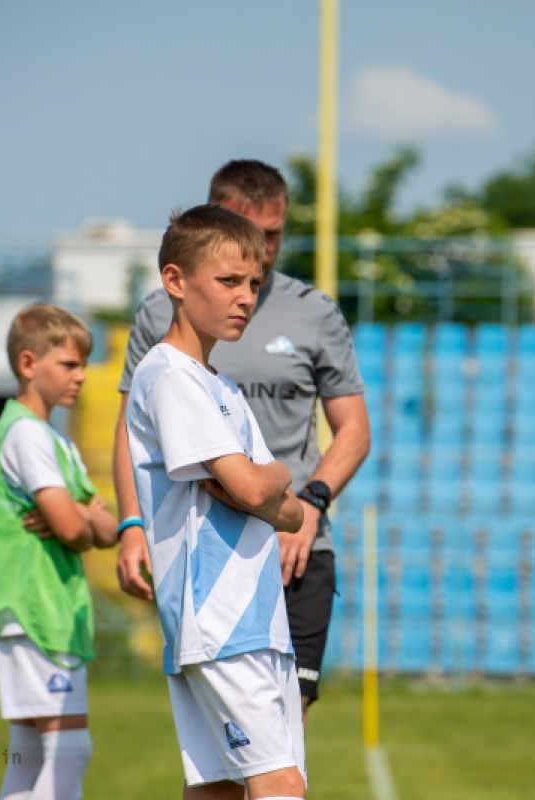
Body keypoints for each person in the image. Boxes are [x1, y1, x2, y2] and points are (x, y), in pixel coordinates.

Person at [114, 159, 370, 722]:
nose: (261, 246)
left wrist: (310, 504)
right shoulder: (165, 313)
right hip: (210, 557)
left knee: (282, 732)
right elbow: (128, 425)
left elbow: (354, 430)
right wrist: (131, 525)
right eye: (243, 231)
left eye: (273, 234)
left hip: (297, 547)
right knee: (241, 759)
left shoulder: (314, 312)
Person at [125, 204, 306, 798]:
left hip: (251, 618)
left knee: (217, 791)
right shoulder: (170, 376)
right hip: (220, 617)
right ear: (175, 281)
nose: (246, 297)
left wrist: (262, 484)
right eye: (228, 281)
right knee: (281, 784)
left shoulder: (218, 384)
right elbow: (260, 491)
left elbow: (291, 511)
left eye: (253, 283)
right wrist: (272, 475)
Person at [0, 302, 118, 800]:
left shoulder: (57, 442)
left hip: (43, 614)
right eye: (69, 365)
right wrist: (78, 517)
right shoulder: (26, 434)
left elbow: (107, 528)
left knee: (29, 755)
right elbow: (77, 531)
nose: (81, 376)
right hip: (34, 611)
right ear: (29, 364)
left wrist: (79, 514)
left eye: (84, 364)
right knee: (69, 750)